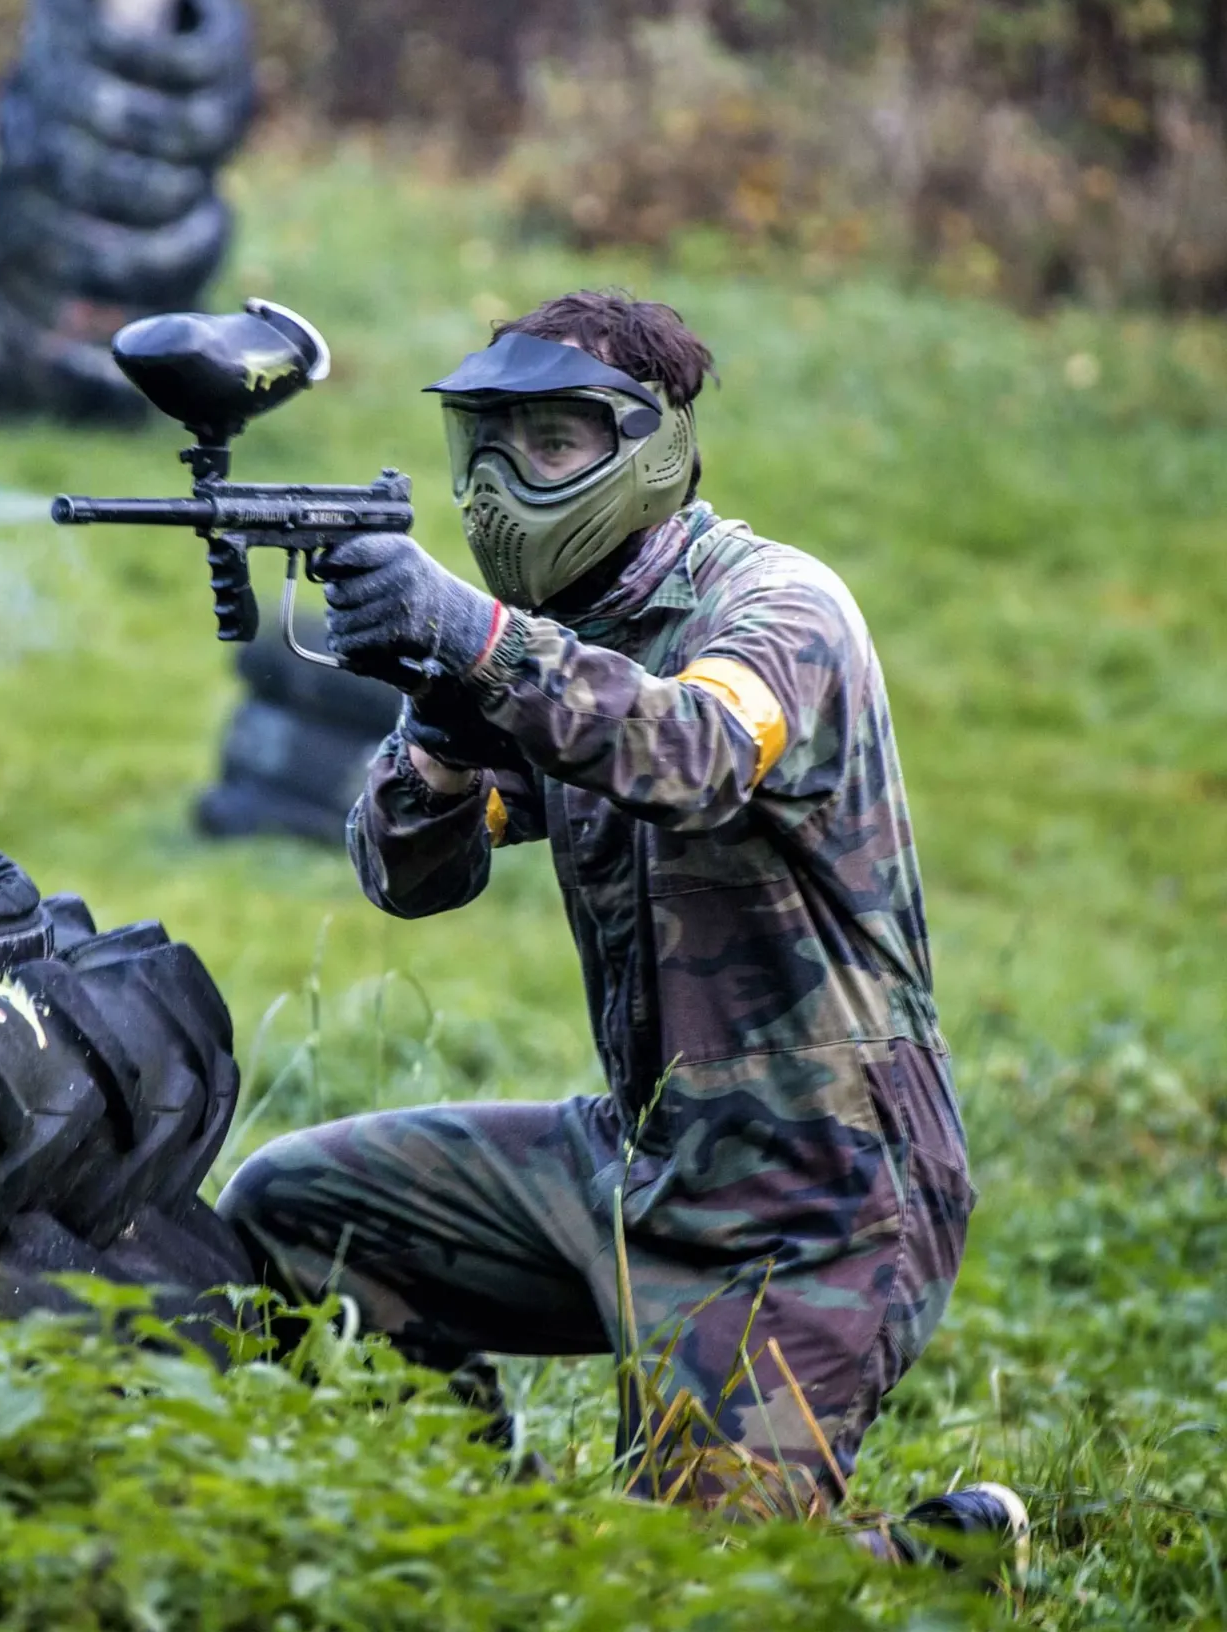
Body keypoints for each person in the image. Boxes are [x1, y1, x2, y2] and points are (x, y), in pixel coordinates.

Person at [217, 290, 1010, 1544]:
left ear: (653, 450)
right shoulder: (561, 645)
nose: (497, 483)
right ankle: (472, 1527)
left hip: (817, 1201)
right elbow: (413, 877)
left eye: (548, 443)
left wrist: (477, 641)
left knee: (672, 1591)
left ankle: (933, 1559)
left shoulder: (780, 612)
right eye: (482, 442)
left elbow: (691, 750)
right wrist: (436, 728)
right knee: (295, 1210)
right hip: (645, 1161)